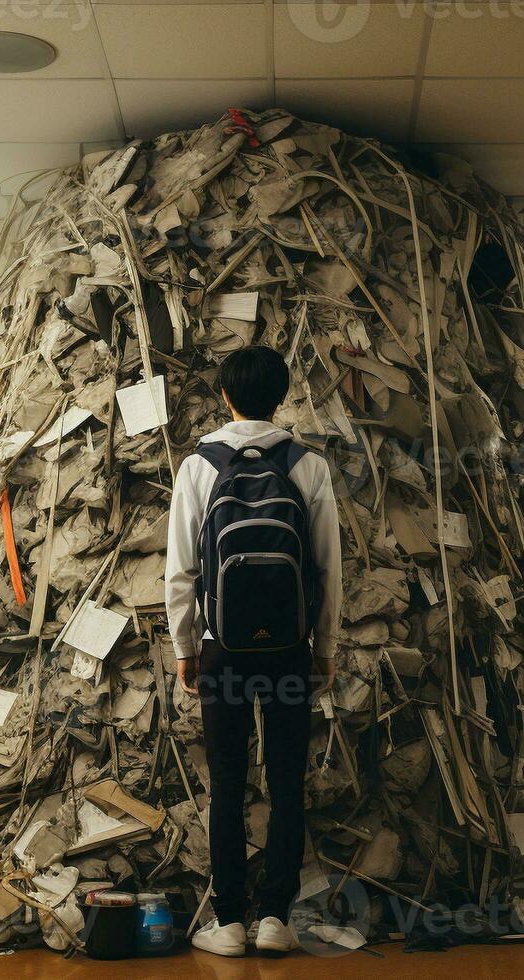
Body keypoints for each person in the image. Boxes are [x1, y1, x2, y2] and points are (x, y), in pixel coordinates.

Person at [165, 346, 341, 958]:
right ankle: (276, 919)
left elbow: (182, 570)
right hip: (290, 650)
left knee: (227, 781)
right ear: (282, 395)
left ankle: (230, 922)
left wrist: (186, 647)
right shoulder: (307, 465)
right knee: (288, 777)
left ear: (225, 396)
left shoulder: (199, 466)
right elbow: (327, 568)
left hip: (225, 652)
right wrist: (325, 648)